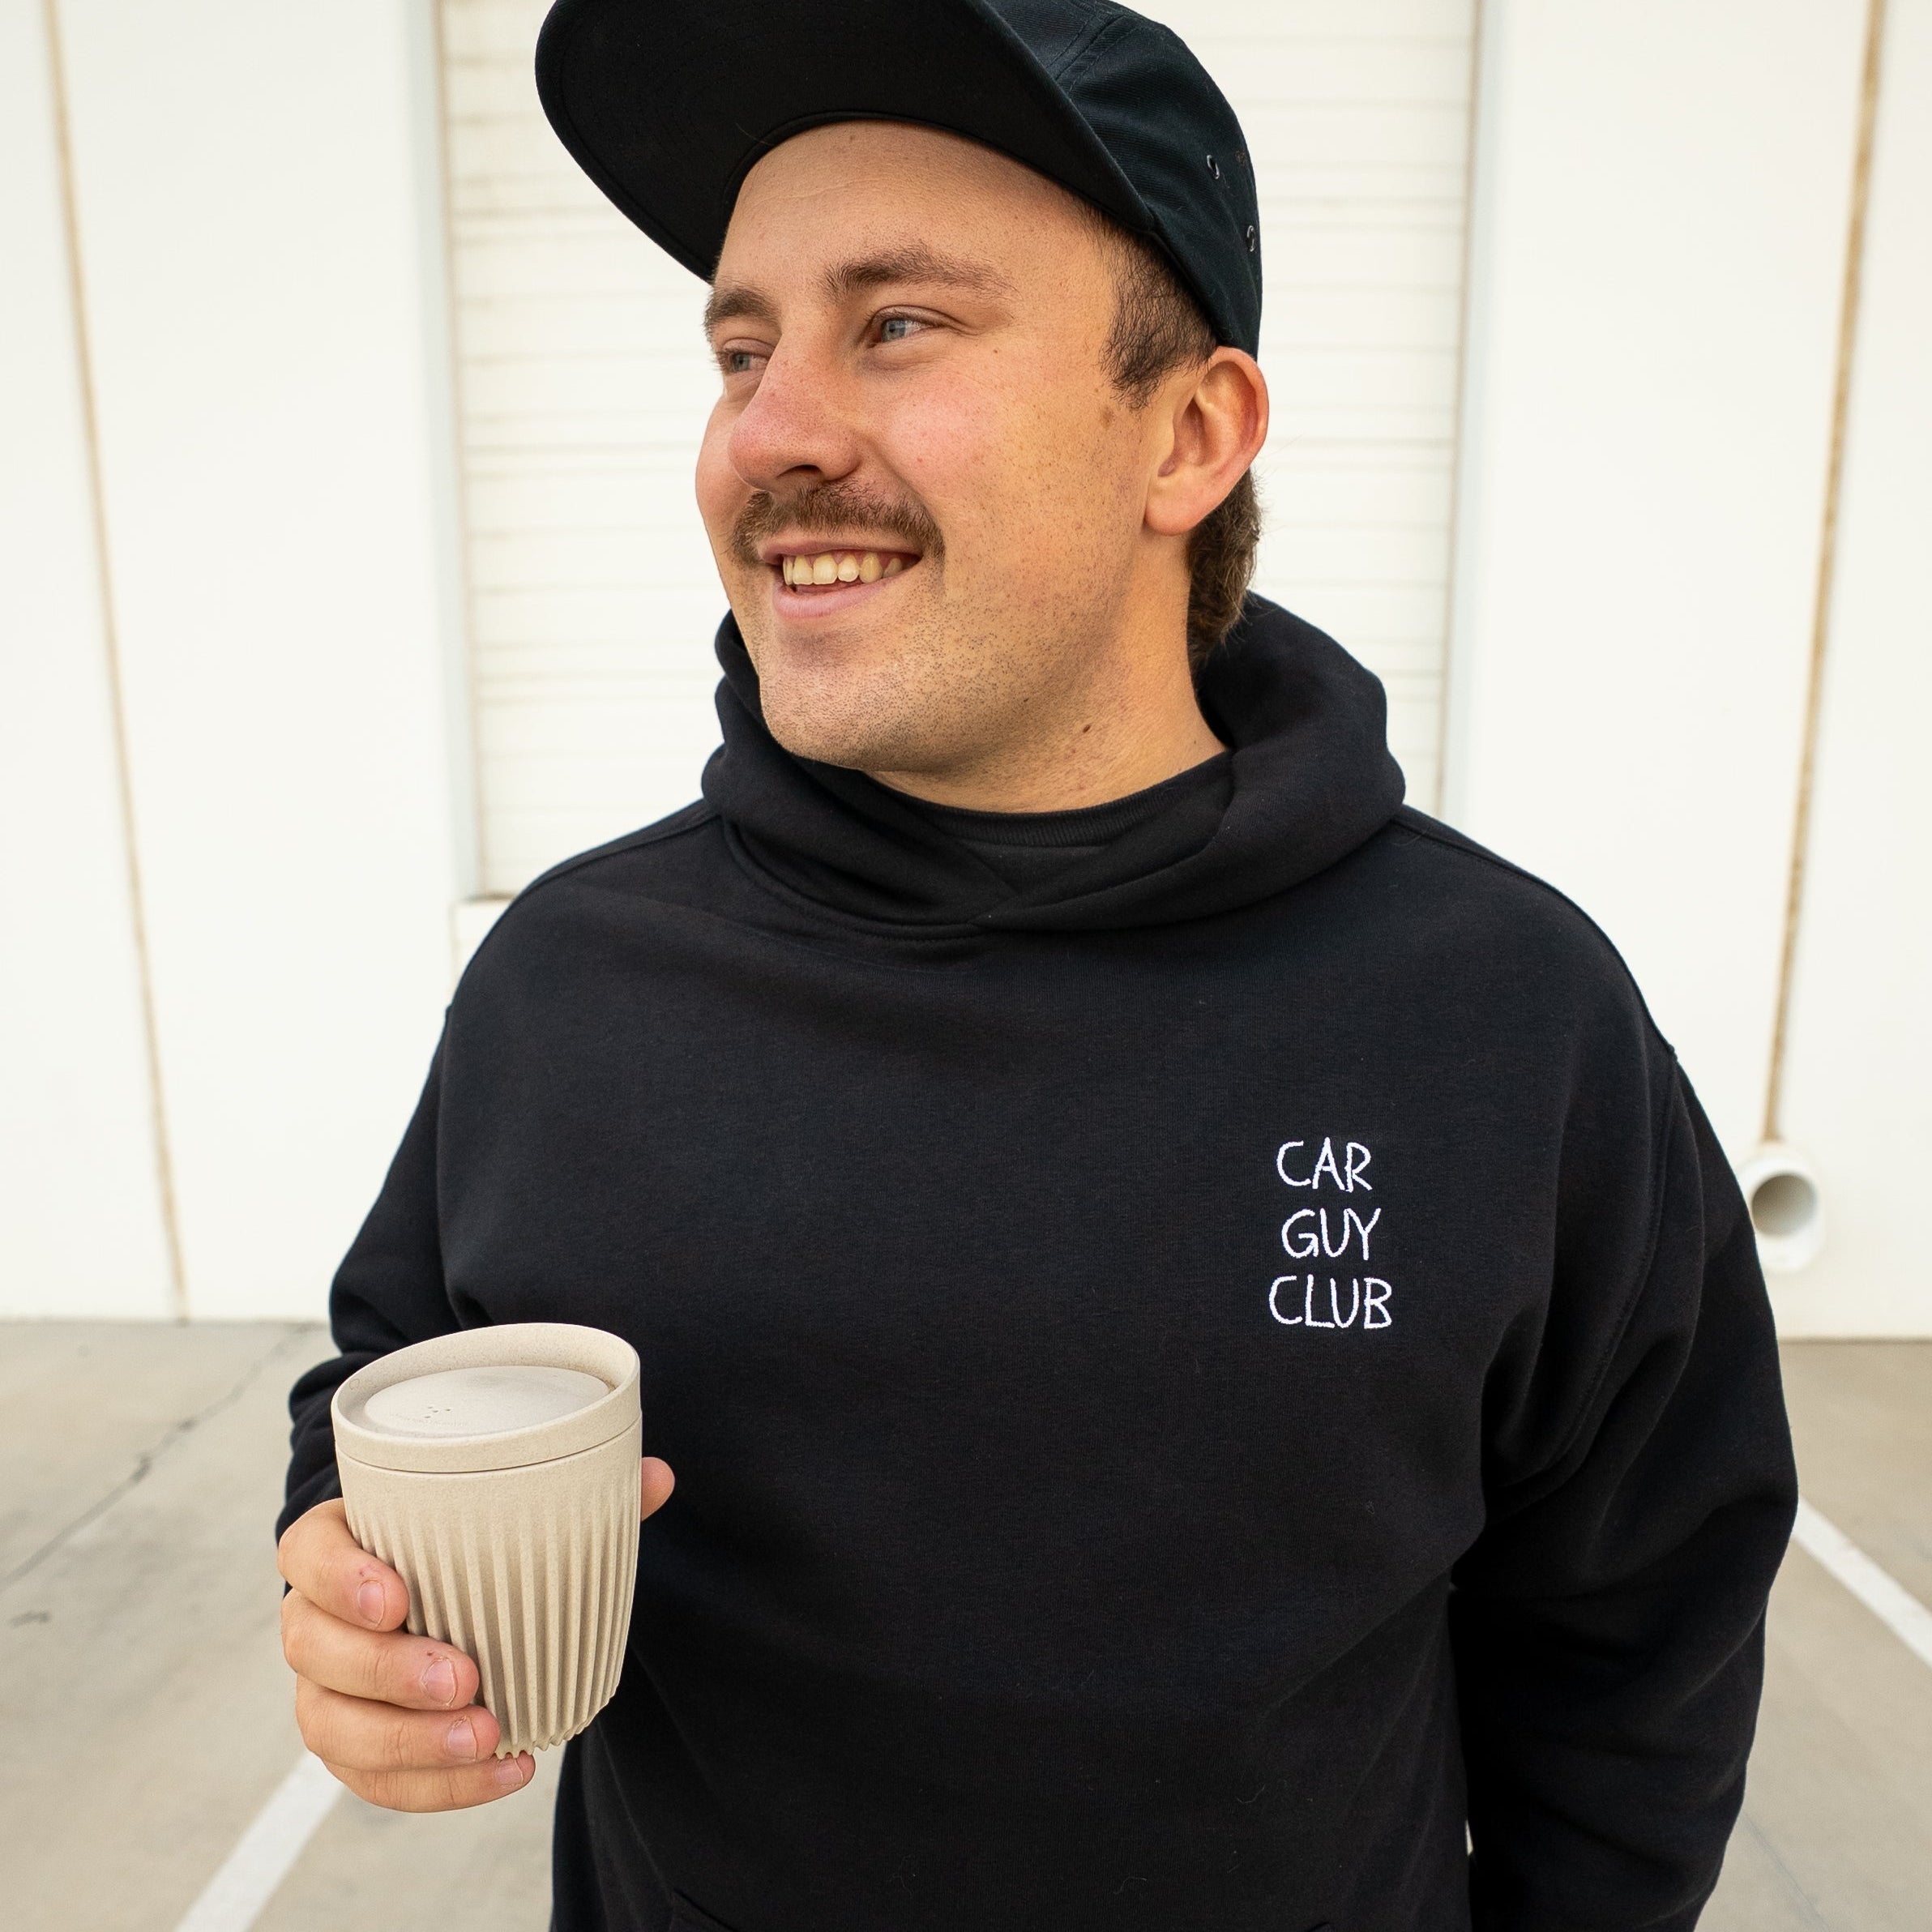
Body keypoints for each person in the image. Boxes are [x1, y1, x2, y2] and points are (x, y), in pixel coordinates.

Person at [276, 3, 1797, 1927]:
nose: (773, 430)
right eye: (742, 347)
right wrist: (347, 1598)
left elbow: (1640, 1635)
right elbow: (389, 1384)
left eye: (896, 323)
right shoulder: (574, 981)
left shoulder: (1503, 1016)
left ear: (1187, 434)